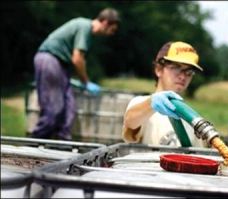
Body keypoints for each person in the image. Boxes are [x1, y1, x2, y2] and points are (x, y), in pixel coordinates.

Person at [32, 8, 120, 140]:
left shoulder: (87, 31)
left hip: (61, 65)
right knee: (54, 108)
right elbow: (77, 58)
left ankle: (62, 144)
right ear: (106, 22)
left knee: (69, 109)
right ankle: (34, 144)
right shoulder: (84, 26)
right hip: (50, 59)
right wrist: (85, 82)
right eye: (112, 30)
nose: (111, 34)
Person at [122, 41, 207, 147]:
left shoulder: (192, 116)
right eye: (176, 67)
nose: (183, 76)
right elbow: (130, 121)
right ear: (158, 69)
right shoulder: (143, 104)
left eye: (189, 72)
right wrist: (151, 103)